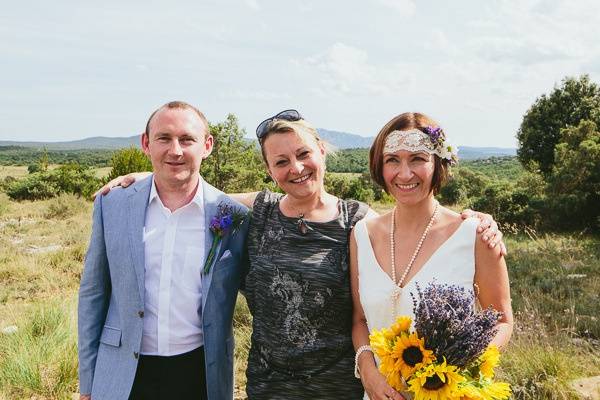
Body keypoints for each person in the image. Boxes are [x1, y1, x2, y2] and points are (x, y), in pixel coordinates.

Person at [97, 109, 506, 399]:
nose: (295, 168)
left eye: (303, 154)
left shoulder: (359, 221)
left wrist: (474, 221)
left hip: (339, 386)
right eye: (281, 161)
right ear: (270, 170)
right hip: (269, 384)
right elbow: (191, 191)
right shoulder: (253, 211)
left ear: (322, 152)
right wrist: (146, 176)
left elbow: (414, 224)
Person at [78, 101, 249, 400]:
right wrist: (88, 382)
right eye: (164, 138)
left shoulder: (232, 216)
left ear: (207, 145)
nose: (176, 150)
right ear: (146, 143)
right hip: (123, 372)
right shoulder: (112, 204)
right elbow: (93, 294)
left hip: (200, 373)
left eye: (187, 139)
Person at [349, 112, 513, 400]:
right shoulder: (362, 235)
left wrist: (460, 375)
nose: (404, 173)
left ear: (438, 163)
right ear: (379, 166)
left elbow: (501, 320)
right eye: (393, 160)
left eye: (417, 159)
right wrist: (368, 373)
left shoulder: (475, 235)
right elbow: (360, 320)